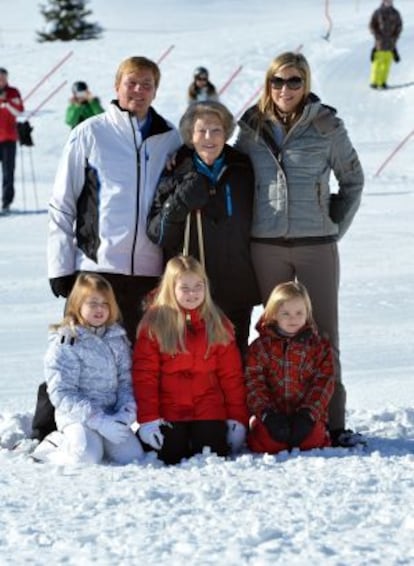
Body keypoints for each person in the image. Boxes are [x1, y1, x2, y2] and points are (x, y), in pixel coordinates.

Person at [235, 51, 365, 448]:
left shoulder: (326, 126)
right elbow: (235, 174)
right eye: (277, 81)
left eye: (294, 81)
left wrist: (331, 227)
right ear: (267, 84)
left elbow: (353, 180)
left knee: (323, 332)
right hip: (267, 245)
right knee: (273, 333)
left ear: (305, 83)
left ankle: (332, 423)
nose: (285, 89)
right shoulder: (252, 127)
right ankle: (271, 421)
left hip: (315, 245)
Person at [47, 56, 181, 343]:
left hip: (149, 271)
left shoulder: (170, 137)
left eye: (147, 84)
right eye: (131, 83)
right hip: (97, 269)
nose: (138, 90)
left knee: (139, 365)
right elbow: (62, 203)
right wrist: (60, 267)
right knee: (83, 358)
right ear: (116, 86)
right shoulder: (91, 132)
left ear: (155, 91)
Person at [147, 100, 260, 359]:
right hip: (190, 291)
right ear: (190, 135)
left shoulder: (243, 169)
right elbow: (158, 234)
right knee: (192, 362)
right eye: (201, 130)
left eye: (217, 130)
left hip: (235, 286)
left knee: (233, 361)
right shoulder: (176, 171)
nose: (209, 137)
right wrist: (179, 202)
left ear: (227, 133)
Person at [132, 255, 249, 465]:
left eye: (198, 286)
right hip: (169, 410)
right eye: (184, 288)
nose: (192, 293)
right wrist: (149, 419)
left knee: (211, 452)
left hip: (209, 408)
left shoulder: (217, 323)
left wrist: (236, 419)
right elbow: (145, 378)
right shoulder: (154, 324)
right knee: (171, 454)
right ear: (171, 288)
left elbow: (231, 377)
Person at [32, 273, 143, 465]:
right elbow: (62, 393)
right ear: (77, 305)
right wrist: (97, 420)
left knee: (131, 456)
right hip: (79, 417)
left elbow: (126, 381)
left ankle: (99, 439)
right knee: (86, 456)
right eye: (92, 303)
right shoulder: (68, 340)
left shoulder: (117, 338)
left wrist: (125, 413)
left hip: (110, 415)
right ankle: (54, 444)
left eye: (105, 303)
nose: (100, 309)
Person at [245, 281, 335, 454]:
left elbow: (323, 383)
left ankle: (311, 428)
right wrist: (266, 414)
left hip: (306, 415)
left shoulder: (318, 346)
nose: (293, 318)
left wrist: (309, 414)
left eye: (299, 313)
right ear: (273, 314)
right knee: (267, 444)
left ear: (307, 313)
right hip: (273, 414)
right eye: (285, 313)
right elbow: (254, 383)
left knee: (313, 441)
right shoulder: (260, 347)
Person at [0, 67, 24, 212]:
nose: (1, 81)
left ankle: (6, 202)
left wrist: (7, 103)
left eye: (3, 77)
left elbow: (19, 110)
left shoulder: (13, 92)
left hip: (9, 138)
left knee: (8, 171)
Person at [369, 0, 403, 89]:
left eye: (390, 1)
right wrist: (377, 36)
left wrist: (395, 37)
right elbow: (372, 25)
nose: (388, 2)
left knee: (386, 65)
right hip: (379, 44)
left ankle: (383, 82)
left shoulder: (396, 13)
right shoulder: (378, 12)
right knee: (377, 64)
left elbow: (399, 26)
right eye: (386, 1)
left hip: (391, 45)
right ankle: (374, 82)